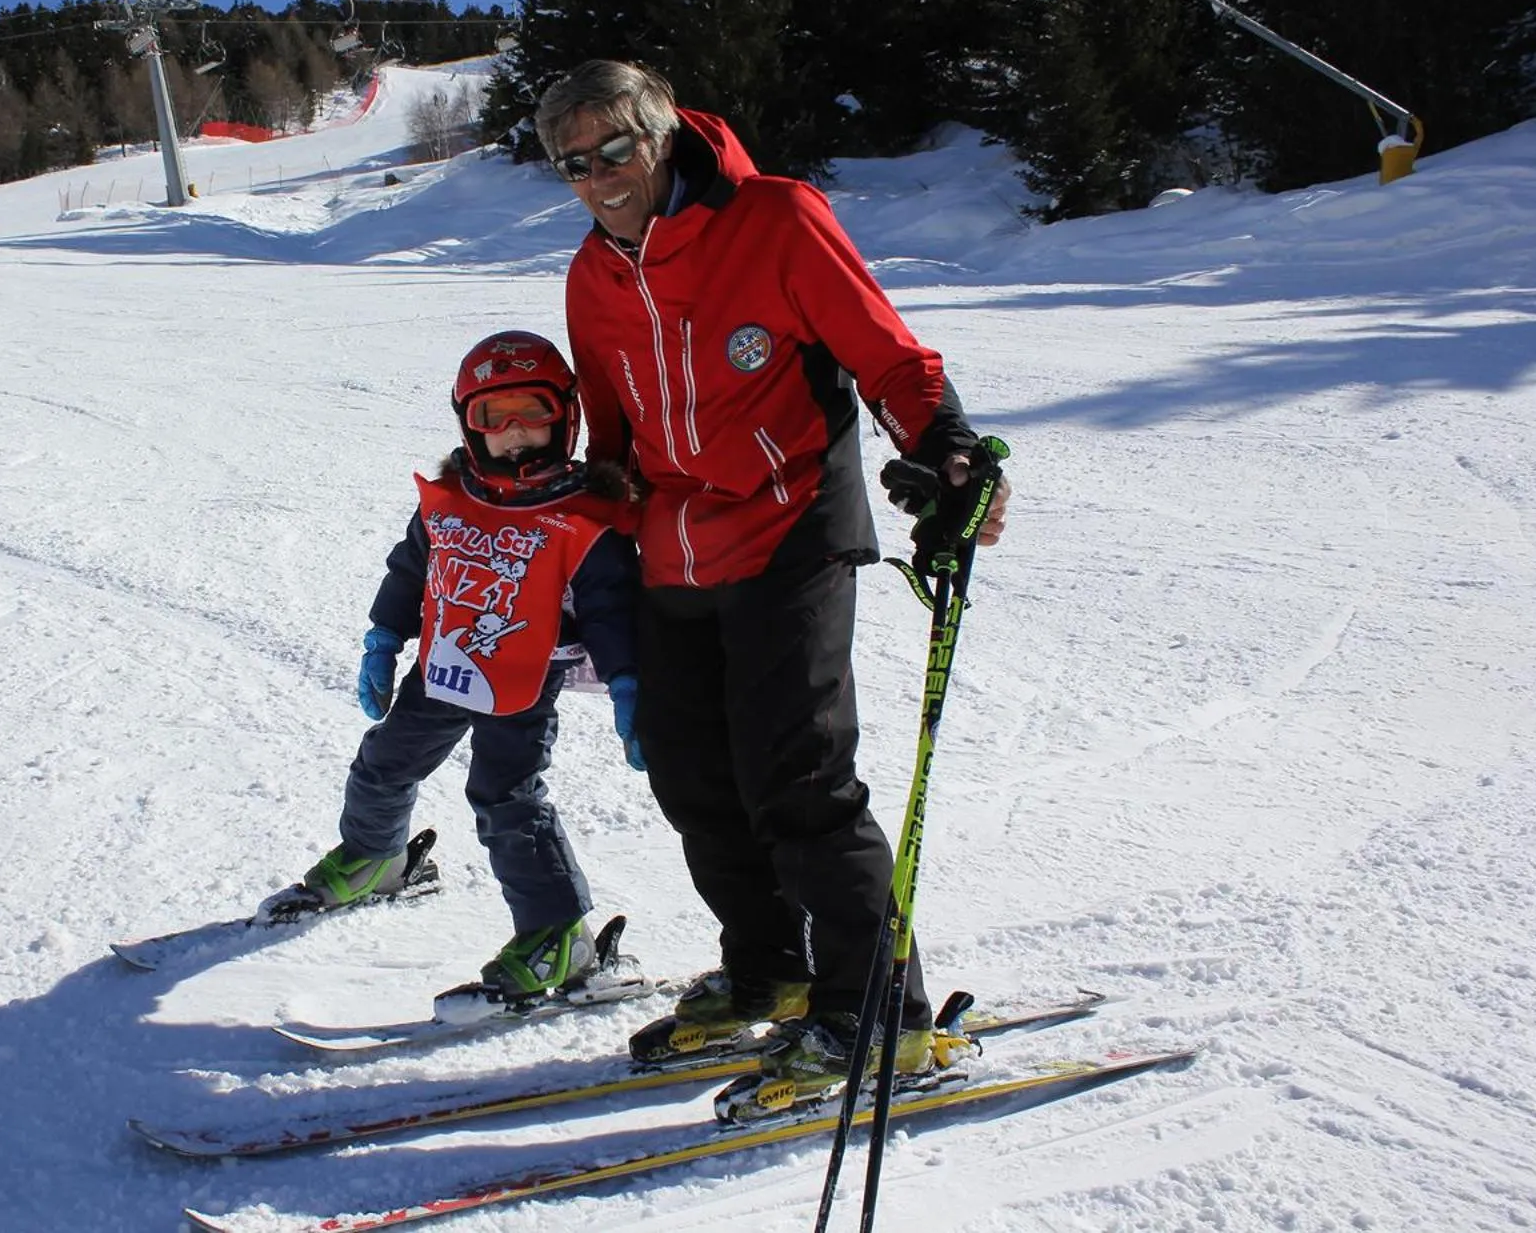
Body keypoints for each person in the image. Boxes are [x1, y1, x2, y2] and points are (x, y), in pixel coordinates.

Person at [533, 60, 1009, 1117]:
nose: (599, 178)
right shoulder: (590, 275)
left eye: (615, 150)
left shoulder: (775, 219)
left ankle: (876, 1010)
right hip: (672, 551)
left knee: (798, 782)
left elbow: (888, 357)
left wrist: (947, 449)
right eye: (574, 164)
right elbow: (611, 429)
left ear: (661, 135)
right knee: (695, 779)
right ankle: (769, 970)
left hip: (790, 527)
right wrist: (577, 521)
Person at [283, 330, 644, 1014]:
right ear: (468, 424)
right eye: (493, 416)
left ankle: (559, 936)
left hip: (524, 676)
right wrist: (385, 635)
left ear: (564, 416)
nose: (514, 432)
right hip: (446, 662)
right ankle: (376, 858)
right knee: (384, 761)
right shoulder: (451, 499)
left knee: (506, 795)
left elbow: (610, 606)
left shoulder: (581, 516)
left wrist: (628, 679)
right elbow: (410, 568)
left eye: (532, 412)